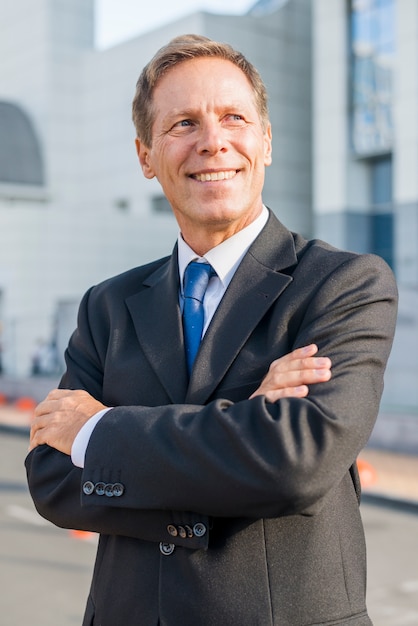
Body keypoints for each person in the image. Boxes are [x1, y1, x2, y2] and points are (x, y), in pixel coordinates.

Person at [26, 35, 398, 626]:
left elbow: (294, 460)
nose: (213, 141)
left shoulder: (343, 285)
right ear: (147, 156)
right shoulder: (108, 306)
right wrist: (245, 425)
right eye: (182, 123)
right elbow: (51, 480)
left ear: (266, 140)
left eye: (234, 117)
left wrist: (97, 433)